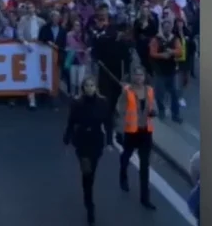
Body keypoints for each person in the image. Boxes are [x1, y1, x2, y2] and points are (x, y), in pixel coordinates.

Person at [63, 76, 116, 224]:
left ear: (95, 88)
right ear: (83, 88)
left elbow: (108, 123)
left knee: (91, 173)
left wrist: (109, 142)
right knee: (86, 171)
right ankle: (89, 204)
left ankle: (88, 192)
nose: (89, 88)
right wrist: (66, 139)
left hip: (96, 140)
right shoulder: (77, 103)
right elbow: (71, 122)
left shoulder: (103, 103)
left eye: (92, 85)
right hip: (82, 141)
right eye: (87, 86)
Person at [115, 65, 157, 210]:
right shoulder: (127, 91)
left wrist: (154, 112)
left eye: (141, 75)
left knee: (145, 165)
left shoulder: (150, 91)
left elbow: (154, 106)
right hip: (131, 132)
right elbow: (120, 110)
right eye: (136, 75)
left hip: (146, 132)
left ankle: (145, 198)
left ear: (145, 77)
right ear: (132, 77)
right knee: (126, 156)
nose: (139, 77)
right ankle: (123, 174)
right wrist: (119, 130)